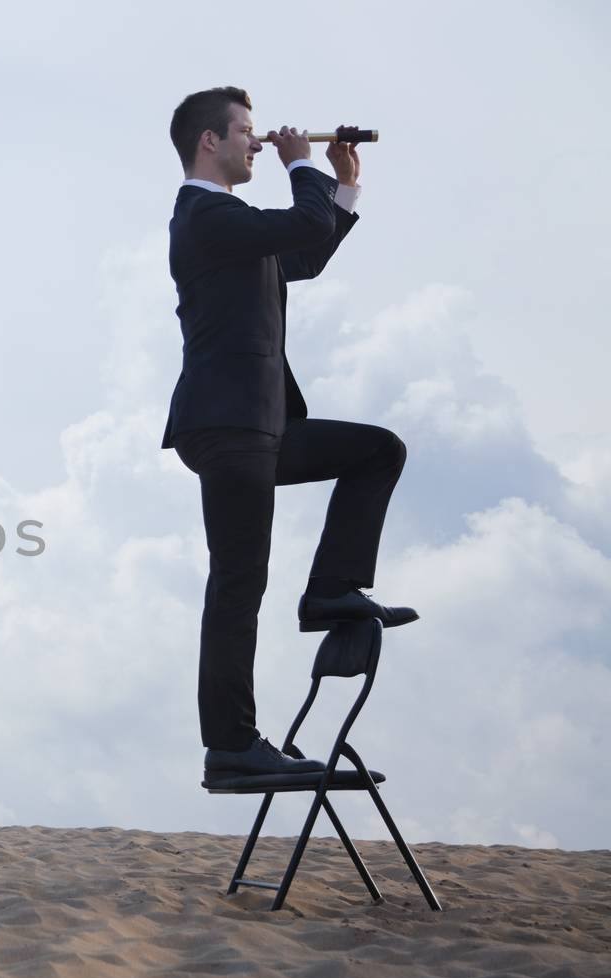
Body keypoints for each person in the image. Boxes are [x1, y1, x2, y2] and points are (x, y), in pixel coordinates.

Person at [161, 87, 419, 782]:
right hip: (228, 422)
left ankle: (332, 590)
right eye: (245, 131)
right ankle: (232, 745)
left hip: (260, 424)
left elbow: (300, 254)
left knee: (377, 449)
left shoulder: (232, 226)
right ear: (209, 141)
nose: (257, 140)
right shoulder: (203, 215)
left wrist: (341, 188)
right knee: (239, 582)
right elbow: (298, 226)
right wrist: (302, 166)